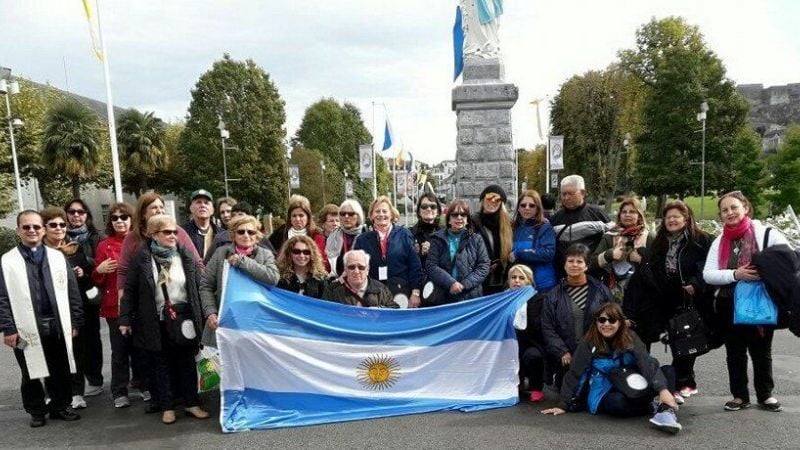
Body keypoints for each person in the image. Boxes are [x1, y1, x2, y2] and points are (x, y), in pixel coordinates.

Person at [703, 191, 790, 412]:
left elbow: (786, 258)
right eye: (724, 210)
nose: (729, 212)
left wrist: (765, 270)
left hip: (760, 301)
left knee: (762, 351)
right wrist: (735, 274)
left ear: (745, 208)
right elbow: (708, 274)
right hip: (729, 304)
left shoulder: (766, 233)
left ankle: (765, 395)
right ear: (721, 216)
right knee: (734, 353)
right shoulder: (719, 241)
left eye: (734, 207)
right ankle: (739, 396)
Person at [119, 215, 209, 425]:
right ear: (153, 235)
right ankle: (167, 407)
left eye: (174, 232)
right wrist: (124, 319)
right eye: (167, 232)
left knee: (187, 362)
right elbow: (130, 290)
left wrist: (206, 314)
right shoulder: (142, 257)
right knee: (162, 364)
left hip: (184, 318)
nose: (173, 236)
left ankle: (192, 403)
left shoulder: (184, 254)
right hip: (155, 320)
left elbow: (199, 286)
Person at [541, 303, 683, 435]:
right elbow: (574, 373)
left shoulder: (631, 337)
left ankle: (664, 412)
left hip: (634, 382)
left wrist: (662, 389)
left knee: (668, 370)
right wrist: (563, 404)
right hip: (608, 388)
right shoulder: (588, 342)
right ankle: (653, 405)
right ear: (596, 322)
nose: (606, 324)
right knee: (616, 403)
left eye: (612, 320)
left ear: (620, 322)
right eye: (602, 320)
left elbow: (646, 362)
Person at [0, 210, 83, 427]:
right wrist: (8, 329)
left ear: (43, 230)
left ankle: (60, 406)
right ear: (18, 231)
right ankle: (36, 411)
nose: (32, 230)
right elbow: (2, 297)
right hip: (24, 328)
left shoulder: (57, 257)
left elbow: (72, 291)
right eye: (26, 227)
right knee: (30, 371)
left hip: (57, 324)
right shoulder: (7, 261)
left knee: (60, 369)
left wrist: (75, 321)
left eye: (36, 226)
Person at [645, 200, 712, 403]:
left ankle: (681, 382)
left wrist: (696, 282)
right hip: (667, 297)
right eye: (668, 217)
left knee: (687, 339)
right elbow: (654, 266)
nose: (672, 220)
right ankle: (685, 381)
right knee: (676, 341)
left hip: (690, 296)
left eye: (676, 216)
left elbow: (708, 264)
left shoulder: (701, 239)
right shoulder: (660, 241)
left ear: (686, 218)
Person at [40, 207, 99, 410]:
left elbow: (88, 279)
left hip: (74, 307)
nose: (59, 228)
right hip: (48, 311)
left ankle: (76, 393)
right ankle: (52, 393)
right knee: (51, 356)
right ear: (44, 228)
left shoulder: (74, 248)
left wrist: (82, 274)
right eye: (53, 225)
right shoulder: (38, 254)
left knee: (76, 353)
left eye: (62, 224)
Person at [91, 202, 149, 408]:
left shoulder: (141, 242)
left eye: (123, 217)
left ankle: (144, 385)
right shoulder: (103, 245)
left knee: (142, 348)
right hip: (114, 306)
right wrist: (99, 270)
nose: (119, 221)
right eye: (114, 218)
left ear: (132, 219)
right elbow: (96, 279)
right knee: (120, 350)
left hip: (140, 305)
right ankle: (119, 391)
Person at [541, 243, 614, 388]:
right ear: (564, 265)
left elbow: (613, 321)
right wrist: (562, 352)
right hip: (567, 356)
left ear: (587, 266)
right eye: (570, 261)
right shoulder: (553, 295)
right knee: (568, 391)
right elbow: (547, 327)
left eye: (579, 261)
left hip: (596, 353)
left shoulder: (601, 291)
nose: (574, 265)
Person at [201, 215, 279, 347]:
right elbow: (206, 286)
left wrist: (243, 261)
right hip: (224, 323)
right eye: (241, 231)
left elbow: (273, 278)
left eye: (251, 232)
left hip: (255, 324)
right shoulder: (220, 253)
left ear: (257, 235)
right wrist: (211, 312)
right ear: (233, 235)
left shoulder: (265, 254)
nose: (246, 235)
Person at [117, 192, 203, 300]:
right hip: (145, 300)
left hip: (180, 298)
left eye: (161, 207)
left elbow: (197, 263)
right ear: (143, 213)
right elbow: (123, 271)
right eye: (154, 207)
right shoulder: (132, 237)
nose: (159, 211)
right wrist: (121, 299)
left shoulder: (178, 231)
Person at [354, 196, 423, 307]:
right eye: (377, 211)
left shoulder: (404, 234)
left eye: (384, 211)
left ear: (391, 214)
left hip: (401, 293)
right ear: (371, 215)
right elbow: (356, 267)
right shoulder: (362, 240)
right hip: (373, 295)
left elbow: (415, 265)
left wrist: (415, 292)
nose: (381, 214)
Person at [425, 199, 490, 305]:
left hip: (470, 297)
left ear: (467, 220)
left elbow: (484, 266)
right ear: (449, 219)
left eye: (463, 215)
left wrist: (464, 284)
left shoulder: (476, 239)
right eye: (455, 215)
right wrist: (451, 283)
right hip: (443, 296)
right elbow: (431, 265)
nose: (459, 218)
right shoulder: (437, 239)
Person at [550, 175, 612, 278]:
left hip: (593, 277)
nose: (566, 197)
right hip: (563, 278)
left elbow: (611, 240)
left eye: (571, 193)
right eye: (563, 194)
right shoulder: (555, 220)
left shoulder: (598, 215)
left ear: (583, 193)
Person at [592, 197, 653, 302]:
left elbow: (659, 265)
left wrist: (642, 260)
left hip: (642, 294)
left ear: (639, 215)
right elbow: (591, 263)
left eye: (632, 212)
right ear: (619, 215)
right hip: (613, 293)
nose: (627, 214)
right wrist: (610, 254)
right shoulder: (610, 236)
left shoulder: (649, 237)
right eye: (624, 212)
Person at [508, 264, 547, 403]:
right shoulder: (502, 300)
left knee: (533, 356)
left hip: (532, 342)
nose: (517, 281)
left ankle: (536, 387)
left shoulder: (539, 299)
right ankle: (516, 384)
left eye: (521, 278)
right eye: (513, 277)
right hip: (508, 343)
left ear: (529, 281)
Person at [510, 190, 557, 293]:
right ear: (518, 208)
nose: (527, 208)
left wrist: (519, 253)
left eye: (531, 205)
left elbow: (548, 253)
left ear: (538, 208)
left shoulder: (545, 227)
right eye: (523, 205)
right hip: (519, 286)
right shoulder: (513, 228)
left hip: (542, 286)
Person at [472, 185, 513, 295]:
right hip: (479, 281)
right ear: (483, 200)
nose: (492, 201)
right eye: (489, 197)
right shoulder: (473, 222)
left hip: (502, 282)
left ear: (501, 203)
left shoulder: (508, 225)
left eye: (497, 199)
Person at [269, 195, 328, 271]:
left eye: (301, 215)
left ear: (308, 217)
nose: (297, 219)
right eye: (294, 216)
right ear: (290, 218)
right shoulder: (282, 231)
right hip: (284, 272)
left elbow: (320, 260)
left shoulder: (316, 234)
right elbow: (268, 249)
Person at [323, 250, 399, 308]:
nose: (356, 271)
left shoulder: (382, 289)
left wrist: (379, 310)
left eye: (361, 267)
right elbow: (324, 315)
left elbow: (394, 313)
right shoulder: (332, 291)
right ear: (345, 269)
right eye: (351, 267)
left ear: (367, 269)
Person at [325, 199, 366, 276]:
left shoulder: (366, 237)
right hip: (337, 279)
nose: (346, 216)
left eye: (351, 214)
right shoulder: (333, 236)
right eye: (343, 214)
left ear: (358, 216)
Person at [183, 189, 221, 262]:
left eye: (206, 203)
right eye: (198, 202)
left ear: (212, 209)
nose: (203, 205)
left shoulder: (222, 234)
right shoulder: (182, 233)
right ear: (191, 208)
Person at [409, 193, 442, 271]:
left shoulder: (445, 234)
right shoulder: (409, 234)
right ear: (419, 211)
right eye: (424, 206)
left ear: (437, 211)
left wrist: (433, 253)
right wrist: (418, 255)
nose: (429, 209)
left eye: (433, 206)